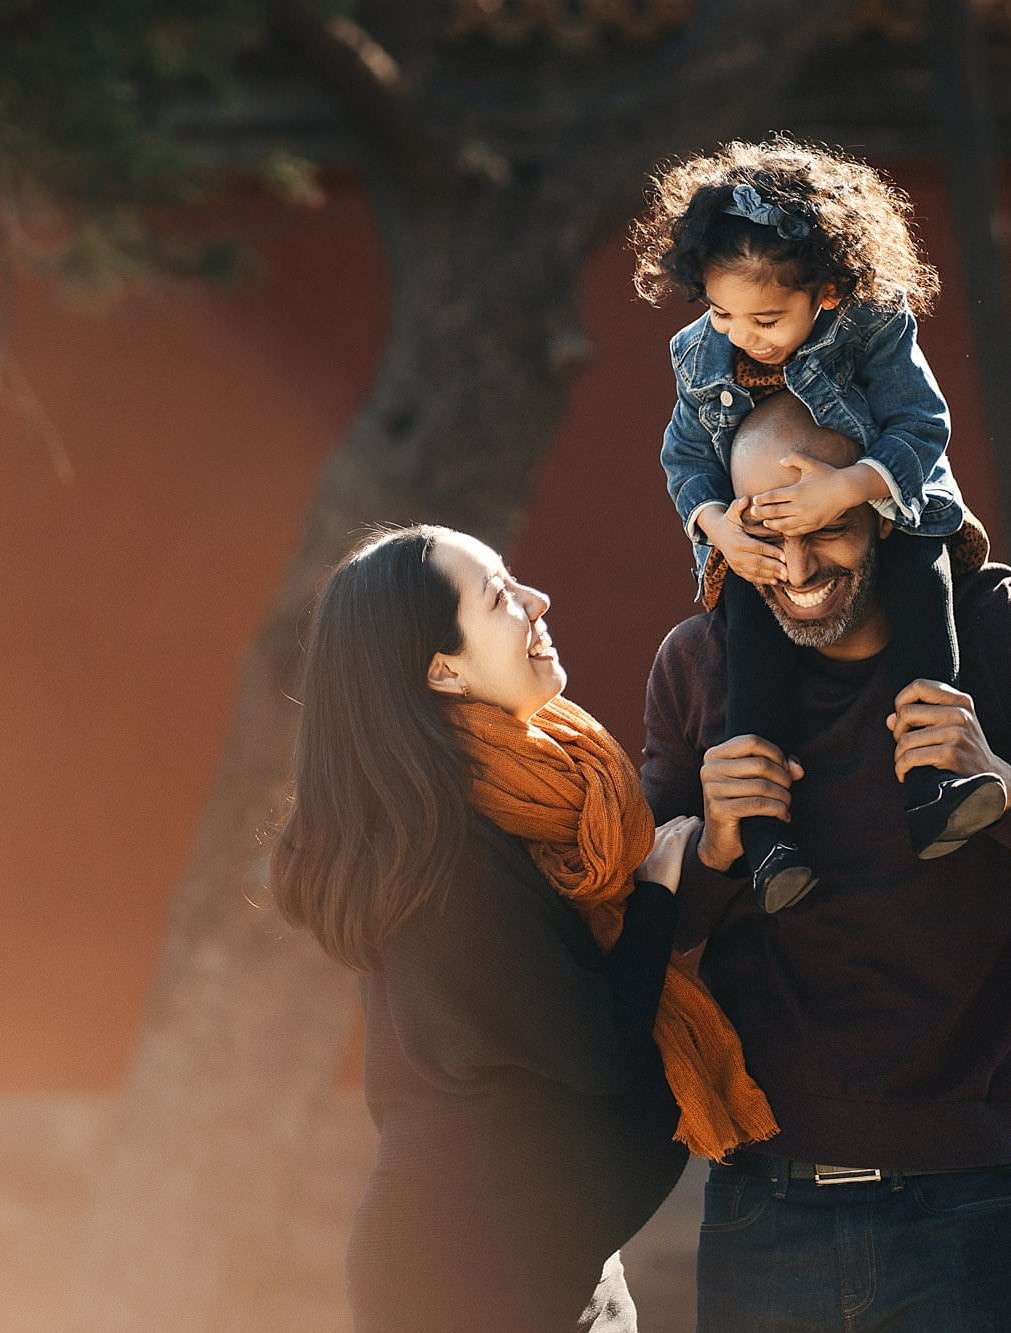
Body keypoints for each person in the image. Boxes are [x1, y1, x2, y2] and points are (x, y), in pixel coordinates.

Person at [639, 395, 1011, 1333]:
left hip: (970, 1210)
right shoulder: (699, 666)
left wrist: (1009, 789)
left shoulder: (1008, 636)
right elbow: (632, 935)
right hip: (765, 1208)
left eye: (830, 530)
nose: (799, 569)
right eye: (771, 537)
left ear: (889, 508)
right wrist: (716, 849)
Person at [271, 525, 777, 1333]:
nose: (538, 603)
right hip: (467, 1280)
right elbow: (597, 1040)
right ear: (444, 669)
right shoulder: (450, 864)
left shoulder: (509, 806)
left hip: (553, 1265)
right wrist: (652, 894)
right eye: (502, 597)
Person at [631, 135, 1003, 914]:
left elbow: (920, 425)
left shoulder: (873, 324)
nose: (745, 335)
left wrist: (846, 490)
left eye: (767, 317)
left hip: (889, 508)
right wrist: (719, 531)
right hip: (756, 524)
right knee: (750, 638)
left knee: (919, 585)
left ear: (828, 290)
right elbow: (684, 458)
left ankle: (936, 781)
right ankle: (767, 837)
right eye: (722, 311)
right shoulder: (701, 353)